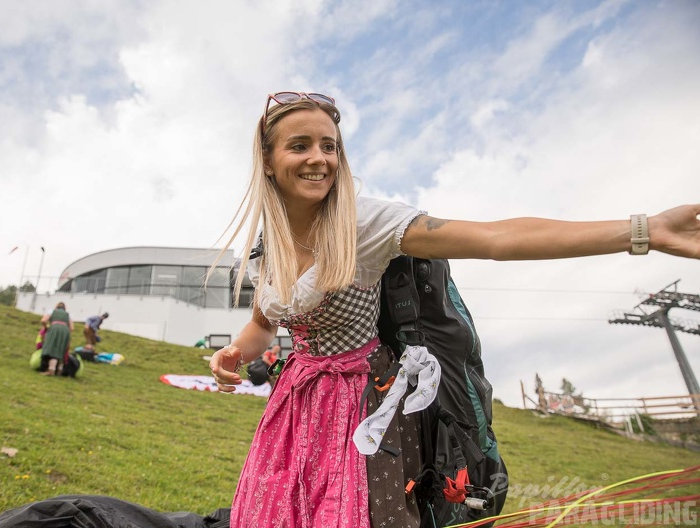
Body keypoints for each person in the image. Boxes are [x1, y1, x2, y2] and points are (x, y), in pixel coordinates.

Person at [208, 91, 700, 528]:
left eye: (329, 146)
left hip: (363, 403)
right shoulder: (266, 246)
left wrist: (643, 231)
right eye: (301, 145)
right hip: (295, 402)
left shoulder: (365, 223)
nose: (320, 158)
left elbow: (497, 238)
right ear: (269, 161)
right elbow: (263, 323)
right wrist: (235, 350)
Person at [39, 302, 74, 376]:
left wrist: (46, 327)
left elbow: (43, 320)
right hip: (65, 331)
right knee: (61, 349)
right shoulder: (68, 314)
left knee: (53, 349)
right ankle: (60, 369)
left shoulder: (52, 311)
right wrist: (66, 333)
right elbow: (72, 328)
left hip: (54, 329)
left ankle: (51, 370)